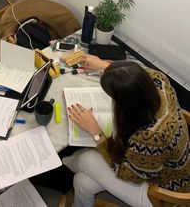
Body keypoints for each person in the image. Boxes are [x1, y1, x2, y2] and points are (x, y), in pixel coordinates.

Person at [63, 54, 190, 207]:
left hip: (162, 192)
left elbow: (126, 174)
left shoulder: (149, 137)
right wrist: (105, 66)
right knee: (82, 182)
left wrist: (96, 132)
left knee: (85, 159)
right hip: (167, 168)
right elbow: (138, 77)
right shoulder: (159, 80)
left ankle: (61, 164)